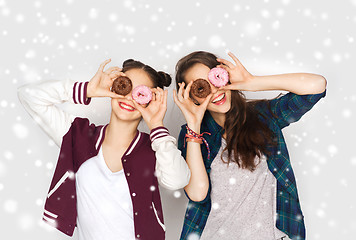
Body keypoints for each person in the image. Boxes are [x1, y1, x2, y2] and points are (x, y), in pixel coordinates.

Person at [17, 59, 191, 240]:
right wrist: (87, 90)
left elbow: (178, 180)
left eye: (140, 93)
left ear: (150, 101)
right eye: (125, 86)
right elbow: (28, 95)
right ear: (113, 87)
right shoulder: (78, 136)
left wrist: (156, 124)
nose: (129, 98)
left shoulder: (155, 149)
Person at [173, 51, 327, 240]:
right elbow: (197, 194)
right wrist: (193, 126)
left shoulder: (264, 116)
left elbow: (317, 86)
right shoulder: (192, 135)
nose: (214, 92)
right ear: (190, 97)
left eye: (216, 79)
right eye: (201, 88)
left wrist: (252, 82)